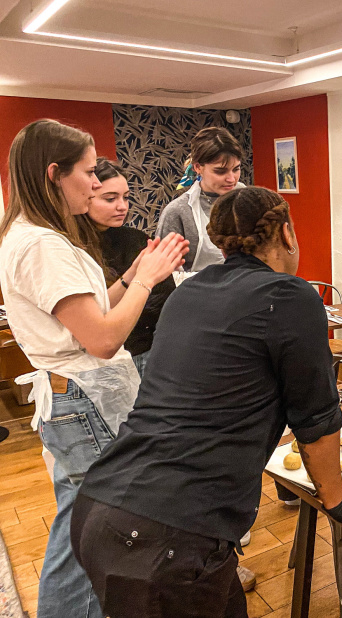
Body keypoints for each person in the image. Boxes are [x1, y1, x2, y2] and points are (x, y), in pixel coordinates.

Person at [71, 186, 342, 618]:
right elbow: (316, 420)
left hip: (102, 506)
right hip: (165, 536)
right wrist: (336, 502)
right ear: (287, 235)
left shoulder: (187, 294)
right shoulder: (291, 297)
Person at [0, 119, 187, 618]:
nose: (94, 183)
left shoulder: (39, 236)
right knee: (94, 535)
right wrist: (146, 281)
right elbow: (103, 338)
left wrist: (132, 274)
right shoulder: (41, 244)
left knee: (78, 526)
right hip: (81, 399)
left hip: (75, 396)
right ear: (54, 174)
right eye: (87, 172)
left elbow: (92, 312)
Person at [79, 157, 176, 376]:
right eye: (110, 199)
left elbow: (164, 298)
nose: (122, 206)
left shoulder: (134, 239)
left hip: (149, 349)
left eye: (126, 197)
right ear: (84, 197)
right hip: (99, 361)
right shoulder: (70, 249)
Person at [156, 127, 245, 272]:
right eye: (220, 171)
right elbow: (163, 273)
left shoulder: (249, 200)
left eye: (236, 169)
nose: (231, 179)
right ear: (198, 167)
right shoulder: (178, 212)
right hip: (199, 292)